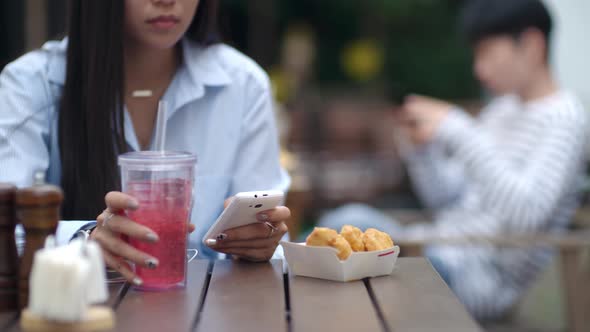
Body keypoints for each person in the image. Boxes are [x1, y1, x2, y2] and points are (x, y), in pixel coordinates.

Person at [318, 0, 589, 321]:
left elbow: (527, 214)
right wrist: (420, 151)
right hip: (437, 250)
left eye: (487, 52)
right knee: (339, 234)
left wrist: (459, 129)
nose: (479, 68)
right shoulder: (503, 110)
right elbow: (448, 198)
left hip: (478, 282)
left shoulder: (565, 119)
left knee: (349, 222)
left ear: (531, 44)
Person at [0, 0, 291, 286]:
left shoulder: (243, 85)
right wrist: (85, 239)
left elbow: (275, 244)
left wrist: (258, 244)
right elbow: (6, 230)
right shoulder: (31, 85)